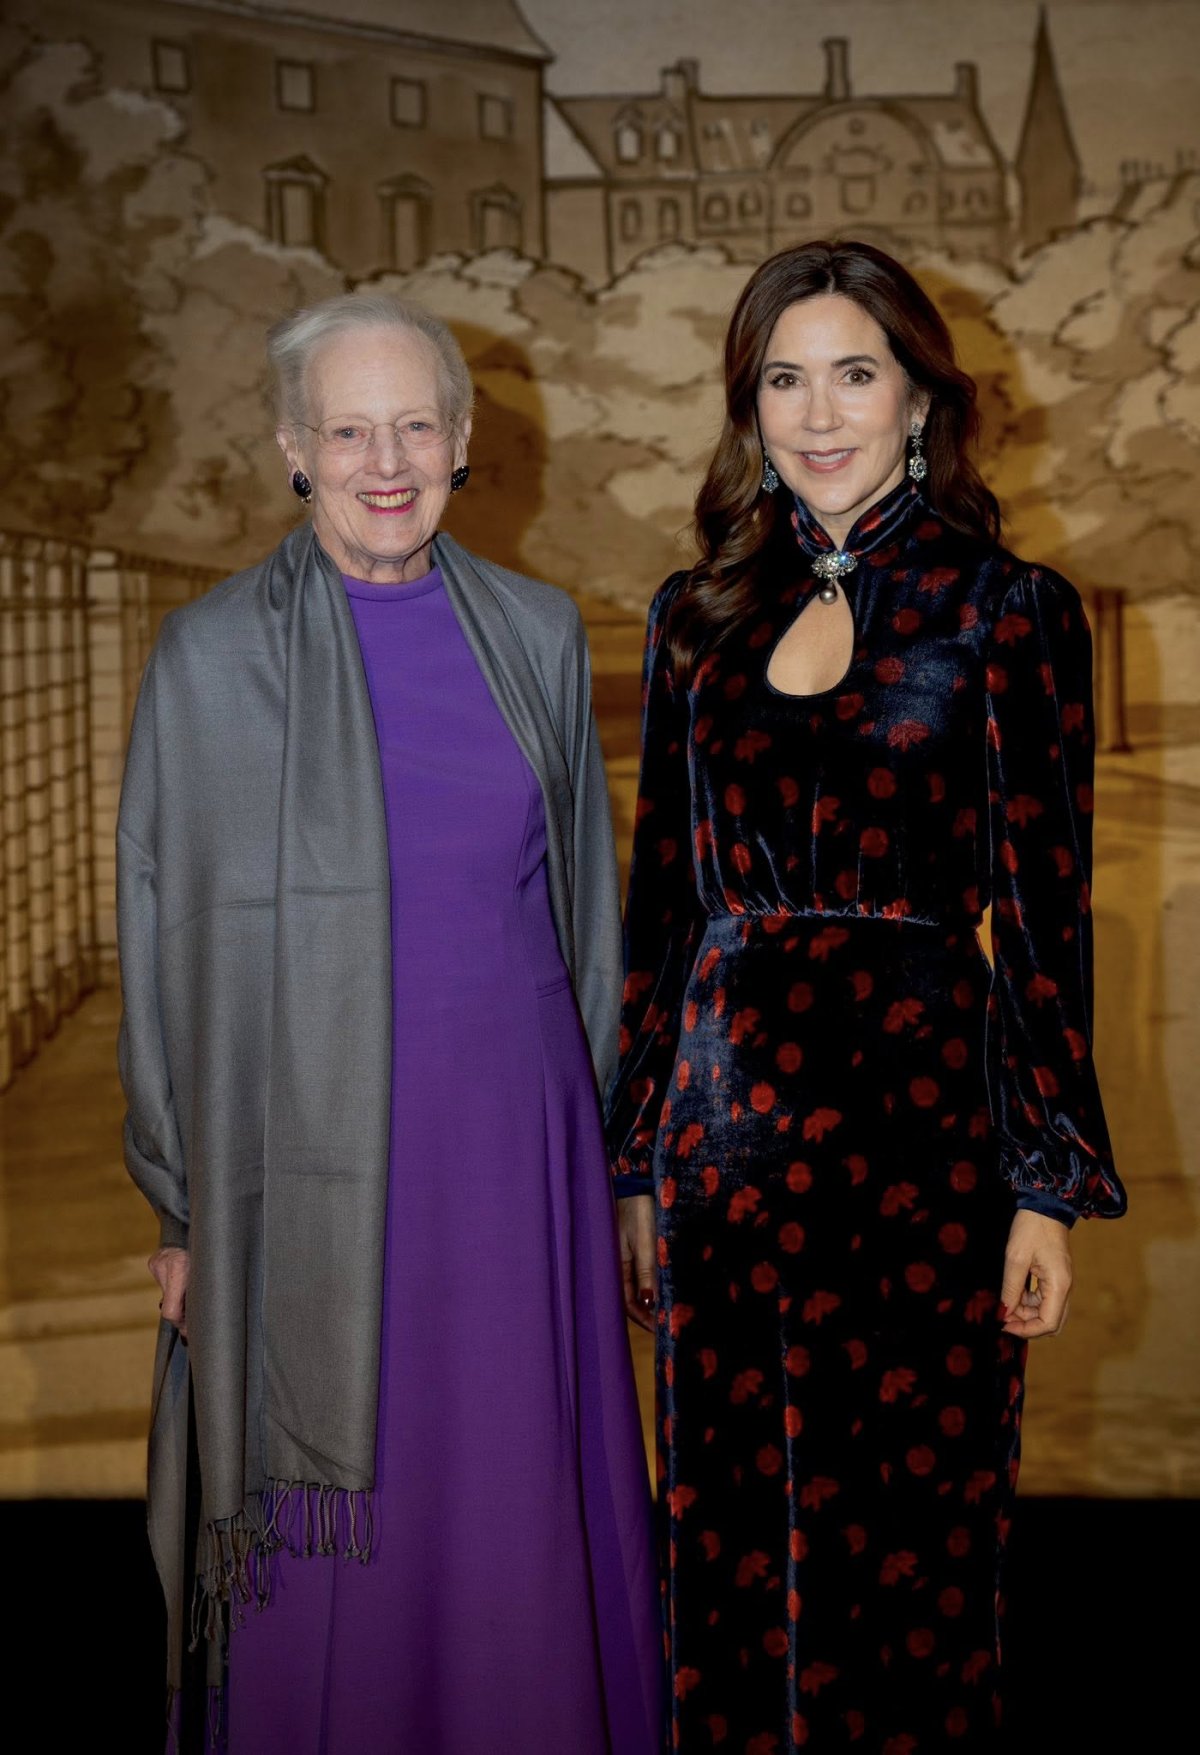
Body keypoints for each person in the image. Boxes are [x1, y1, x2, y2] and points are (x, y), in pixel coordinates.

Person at [117, 291, 661, 1753]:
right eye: (347, 428)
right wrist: (180, 1207)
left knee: (508, 1508)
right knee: (330, 1547)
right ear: (293, 446)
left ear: (464, 439)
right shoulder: (207, 659)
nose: (386, 459)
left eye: (416, 422)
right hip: (296, 1178)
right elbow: (164, 939)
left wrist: (617, 1177)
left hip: (515, 1162)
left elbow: (589, 915)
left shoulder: (541, 635)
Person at [605, 240, 1126, 1752]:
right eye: (783, 377)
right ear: (746, 406)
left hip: (920, 1148)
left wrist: (1045, 1184)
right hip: (719, 1157)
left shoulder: (1010, 609)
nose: (818, 412)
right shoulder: (692, 616)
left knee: (917, 1542)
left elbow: (1045, 923)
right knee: (723, 1545)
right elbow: (662, 908)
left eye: (855, 372)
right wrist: (637, 1155)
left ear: (917, 402)